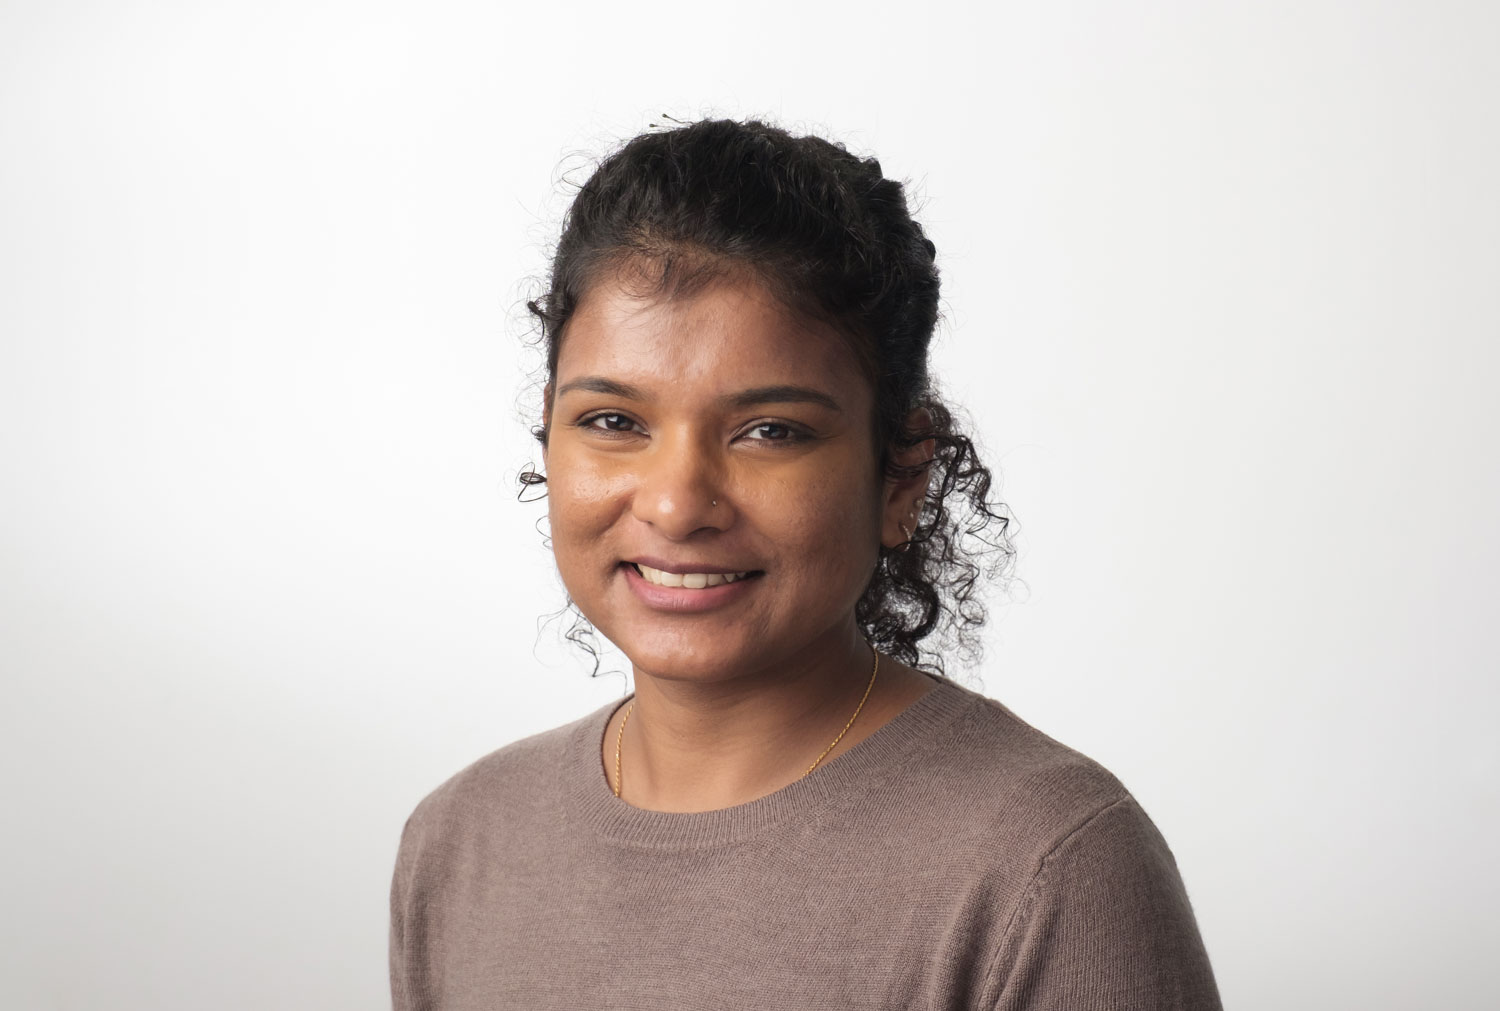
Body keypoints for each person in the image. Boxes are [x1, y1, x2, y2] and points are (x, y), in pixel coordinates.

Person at [388, 118, 1222, 1010]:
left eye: (771, 431)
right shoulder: (460, 844)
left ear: (901, 475)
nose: (676, 503)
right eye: (614, 421)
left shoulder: (1050, 866)